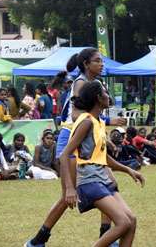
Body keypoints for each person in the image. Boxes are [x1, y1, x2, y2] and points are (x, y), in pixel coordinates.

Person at [26, 48, 127, 247]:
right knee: (67, 195)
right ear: (86, 64)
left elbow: (90, 118)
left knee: (108, 184)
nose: (102, 64)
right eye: (97, 61)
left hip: (84, 137)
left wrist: (104, 136)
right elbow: (77, 115)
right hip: (70, 139)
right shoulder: (81, 83)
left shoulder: (94, 83)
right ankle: (38, 240)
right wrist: (108, 120)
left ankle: (105, 236)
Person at [60, 80, 145, 247]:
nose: (108, 96)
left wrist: (128, 170)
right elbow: (64, 155)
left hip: (101, 177)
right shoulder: (86, 122)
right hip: (89, 179)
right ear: (99, 98)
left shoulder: (98, 122)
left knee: (131, 221)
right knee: (123, 223)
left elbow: (102, 157)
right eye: (106, 92)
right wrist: (70, 188)